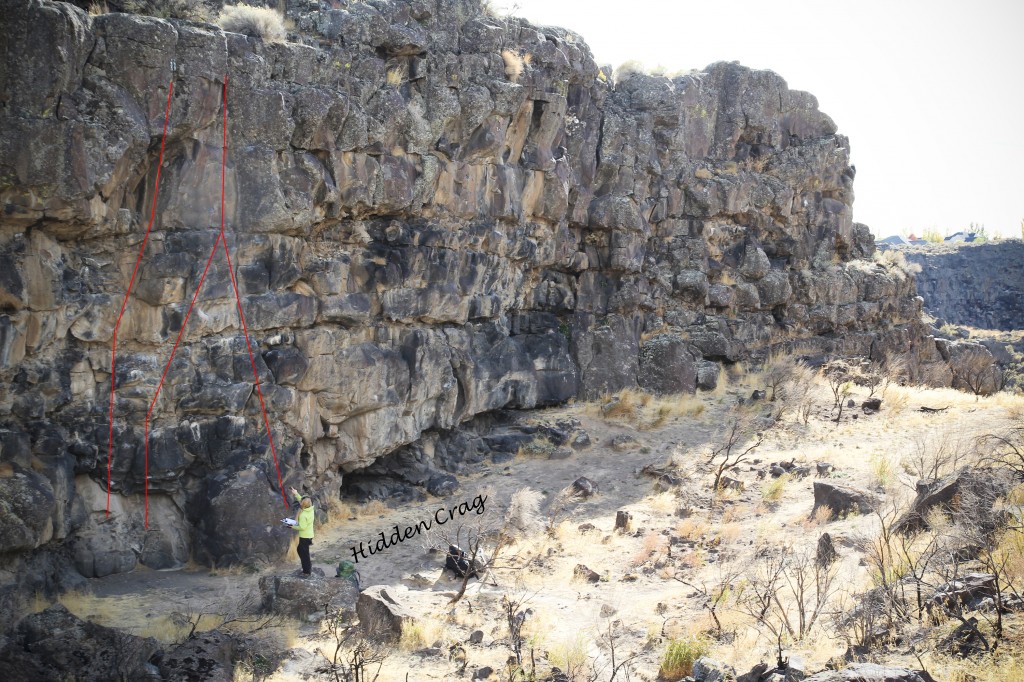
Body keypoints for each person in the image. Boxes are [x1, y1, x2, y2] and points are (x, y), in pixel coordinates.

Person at [289, 486, 315, 577]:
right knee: (301, 550)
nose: (300, 502)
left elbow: (302, 527)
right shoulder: (310, 508)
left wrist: (292, 526)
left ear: (302, 504)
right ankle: (308, 567)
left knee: (304, 555)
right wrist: (295, 493)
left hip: (305, 536)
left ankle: (306, 571)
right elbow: (303, 500)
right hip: (309, 535)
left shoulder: (303, 515)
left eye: (301, 502)